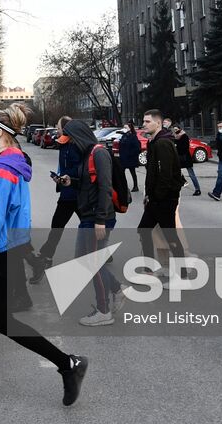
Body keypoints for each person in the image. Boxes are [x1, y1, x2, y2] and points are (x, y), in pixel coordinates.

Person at [0, 104, 89, 405]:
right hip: (3, 248)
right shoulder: (11, 160)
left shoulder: (5, 168)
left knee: (4, 322)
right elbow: (16, 212)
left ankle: (68, 364)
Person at [62, 119, 120, 327]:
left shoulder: (99, 153)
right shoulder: (87, 154)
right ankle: (116, 289)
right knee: (82, 260)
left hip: (97, 217)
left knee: (93, 264)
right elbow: (90, 183)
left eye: (70, 140)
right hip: (88, 216)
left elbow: (105, 187)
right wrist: (72, 181)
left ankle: (104, 311)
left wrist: (100, 220)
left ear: (79, 137)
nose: (68, 144)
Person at [137, 109, 184, 267]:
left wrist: (157, 196)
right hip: (155, 199)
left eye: (147, 121)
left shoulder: (163, 143)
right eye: (143, 121)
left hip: (164, 199)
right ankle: (149, 268)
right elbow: (152, 172)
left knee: (170, 236)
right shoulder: (154, 141)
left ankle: (181, 273)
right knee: (144, 230)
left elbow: (166, 174)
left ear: (158, 123)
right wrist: (149, 194)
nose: (144, 124)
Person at [34, 117, 80, 273]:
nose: (56, 128)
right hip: (68, 192)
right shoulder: (64, 145)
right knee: (58, 225)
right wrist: (59, 177)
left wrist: (65, 177)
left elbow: (78, 169)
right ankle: (47, 255)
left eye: (58, 126)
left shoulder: (74, 146)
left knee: (59, 226)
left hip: (75, 194)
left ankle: (46, 255)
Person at [117, 123, 142, 193]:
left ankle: (135, 186)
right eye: (124, 127)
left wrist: (130, 154)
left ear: (130, 128)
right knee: (121, 172)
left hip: (130, 158)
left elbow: (137, 148)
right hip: (123, 157)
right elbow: (121, 145)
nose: (124, 129)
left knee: (132, 172)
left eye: (126, 127)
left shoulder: (133, 136)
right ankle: (123, 186)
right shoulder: (124, 136)